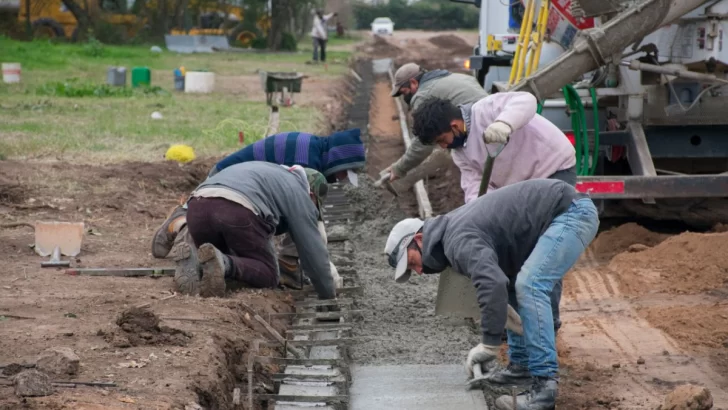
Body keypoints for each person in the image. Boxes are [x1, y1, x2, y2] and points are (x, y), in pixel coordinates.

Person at [384, 179, 599, 410]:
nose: (418, 271)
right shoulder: (451, 234)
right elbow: (500, 283)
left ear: (418, 240)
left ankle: (544, 388)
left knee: (530, 285)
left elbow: (492, 284)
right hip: (557, 214)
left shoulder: (457, 240)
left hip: (569, 213)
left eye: (413, 263)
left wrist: (488, 345)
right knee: (514, 283)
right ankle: (521, 367)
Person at [412, 93, 577, 334]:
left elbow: (527, 100)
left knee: (541, 252)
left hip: (553, 169)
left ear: (454, 125)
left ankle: (546, 326)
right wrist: (477, 217)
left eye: (442, 140)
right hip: (520, 190)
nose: (443, 146)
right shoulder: (461, 154)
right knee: (511, 251)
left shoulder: (486, 110)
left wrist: (504, 123)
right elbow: (475, 188)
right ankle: (517, 324)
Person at [152, 128, 366, 260]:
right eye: (344, 173)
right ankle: (179, 222)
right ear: (338, 158)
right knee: (200, 245)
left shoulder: (315, 152)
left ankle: (183, 218)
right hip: (227, 181)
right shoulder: (306, 160)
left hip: (241, 185)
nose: (342, 179)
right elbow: (304, 215)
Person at [173, 162, 337, 300]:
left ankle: (195, 263)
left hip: (196, 207)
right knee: (269, 274)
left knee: (213, 260)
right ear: (311, 195)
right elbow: (311, 249)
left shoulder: (268, 171)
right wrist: (328, 293)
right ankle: (224, 262)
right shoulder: (299, 192)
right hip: (235, 209)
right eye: (315, 206)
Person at [385, 62, 488, 182]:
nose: (405, 97)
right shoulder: (458, 76)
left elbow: (422, 142)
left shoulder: (423, 96)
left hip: (477, 134)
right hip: (490, 120)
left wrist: (399, 169)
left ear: (413, 83)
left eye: (404, 92)